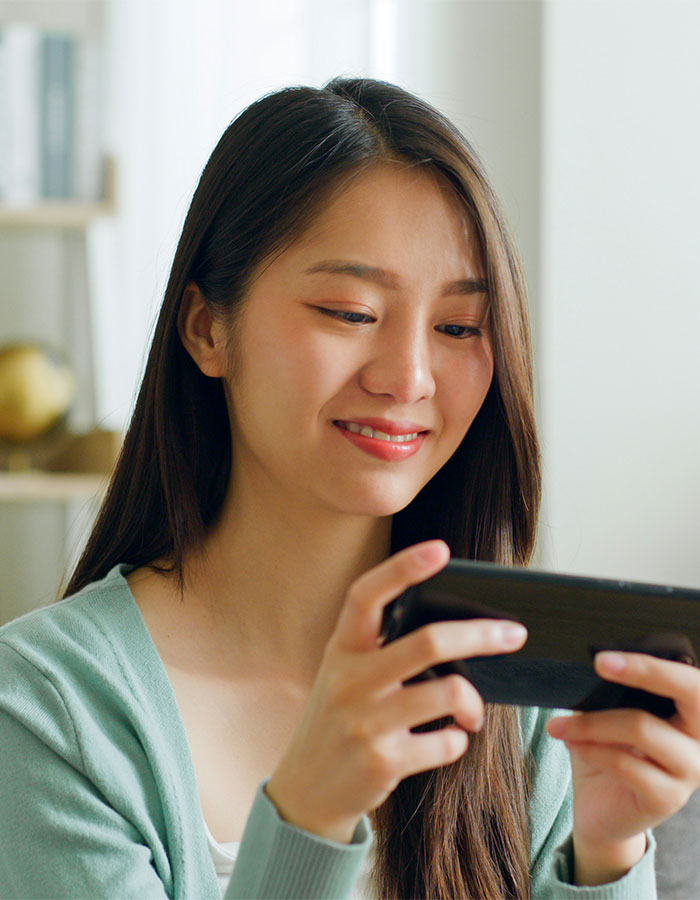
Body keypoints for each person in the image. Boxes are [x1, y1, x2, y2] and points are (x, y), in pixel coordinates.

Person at [0, 76, 697, 900]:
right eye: (350, 311)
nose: (407, 377)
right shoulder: (51, 711)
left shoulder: (525, 703)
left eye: (458, 328)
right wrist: (309, 816)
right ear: (206, 328)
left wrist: (607, 856)